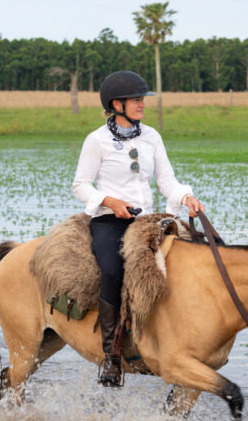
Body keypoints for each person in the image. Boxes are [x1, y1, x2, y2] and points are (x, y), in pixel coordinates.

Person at [72, 70, 204, 386]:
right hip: (109, 220)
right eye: (136, 100)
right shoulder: (97, 140)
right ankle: (111, 357)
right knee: (113, 270)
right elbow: (80, 185)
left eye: (142, 99)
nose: (142, 104)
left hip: (147, 220)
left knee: (191, 256)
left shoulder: (152, 137)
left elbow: (166, 180)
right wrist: (110, 201)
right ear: (116, 104)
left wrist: (186, 197)